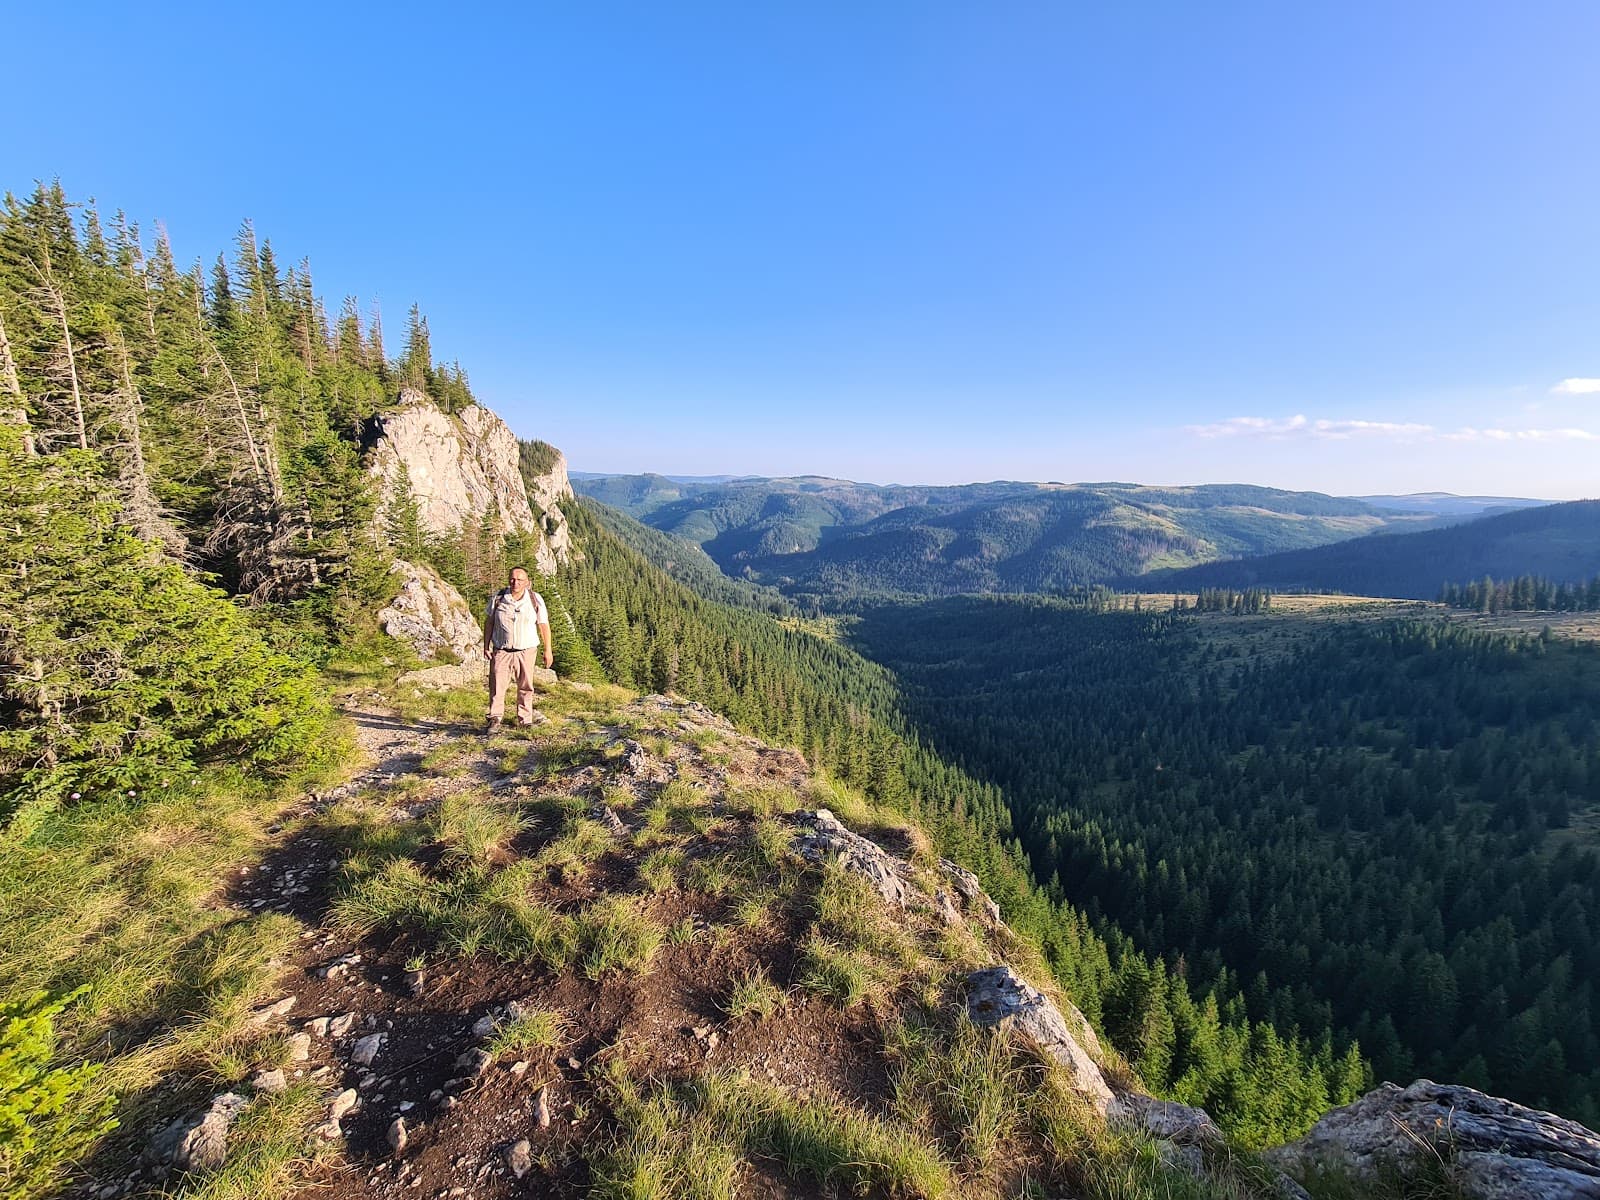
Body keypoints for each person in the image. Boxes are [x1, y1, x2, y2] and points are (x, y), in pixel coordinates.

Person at [482, 566, 553, 731]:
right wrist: (486, 645)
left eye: (520, 580)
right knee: (497, 686)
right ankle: (494, 718)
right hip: (502, 650)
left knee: (526, 686)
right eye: (513, 579)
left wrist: (548, 650)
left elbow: (543, 625)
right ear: (509, 580)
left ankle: (525, 720)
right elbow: (489, 622)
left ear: (527, 582)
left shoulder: (535, 599)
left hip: (526, 650)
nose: (516, 583)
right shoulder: (499, 597)